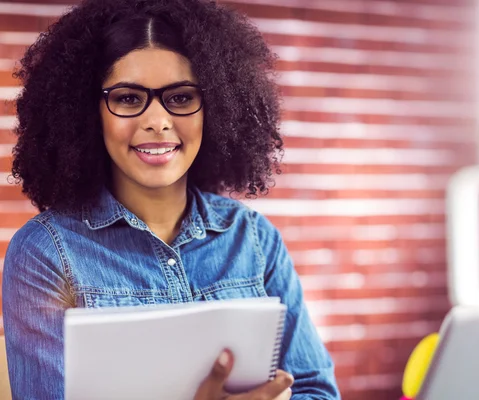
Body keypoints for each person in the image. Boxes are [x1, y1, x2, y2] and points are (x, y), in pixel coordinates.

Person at [2, 0, 340, 398]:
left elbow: (318, 390)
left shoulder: (253, 238)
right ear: (87, 113)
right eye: (128, 98)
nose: (157, 120)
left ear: (213, 109)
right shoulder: (47, 253)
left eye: (180, 98)